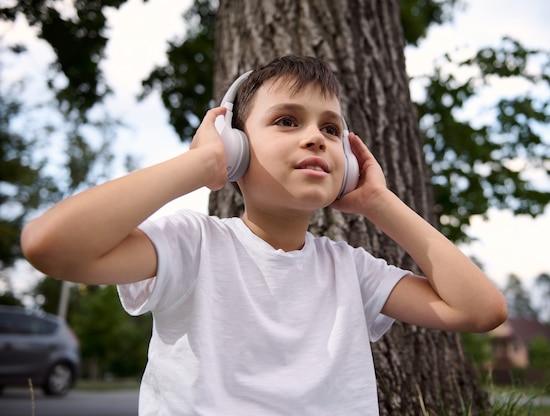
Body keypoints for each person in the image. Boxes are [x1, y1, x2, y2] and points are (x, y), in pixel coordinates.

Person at [21, 55, 507, 415]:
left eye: (331, 129)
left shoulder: (351, 270)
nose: (316, 136)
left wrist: (379, 202)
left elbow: (480, 310)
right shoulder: (192, 244)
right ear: (236, 147)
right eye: (287, 121)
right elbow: (49, 245)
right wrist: (201, 165)